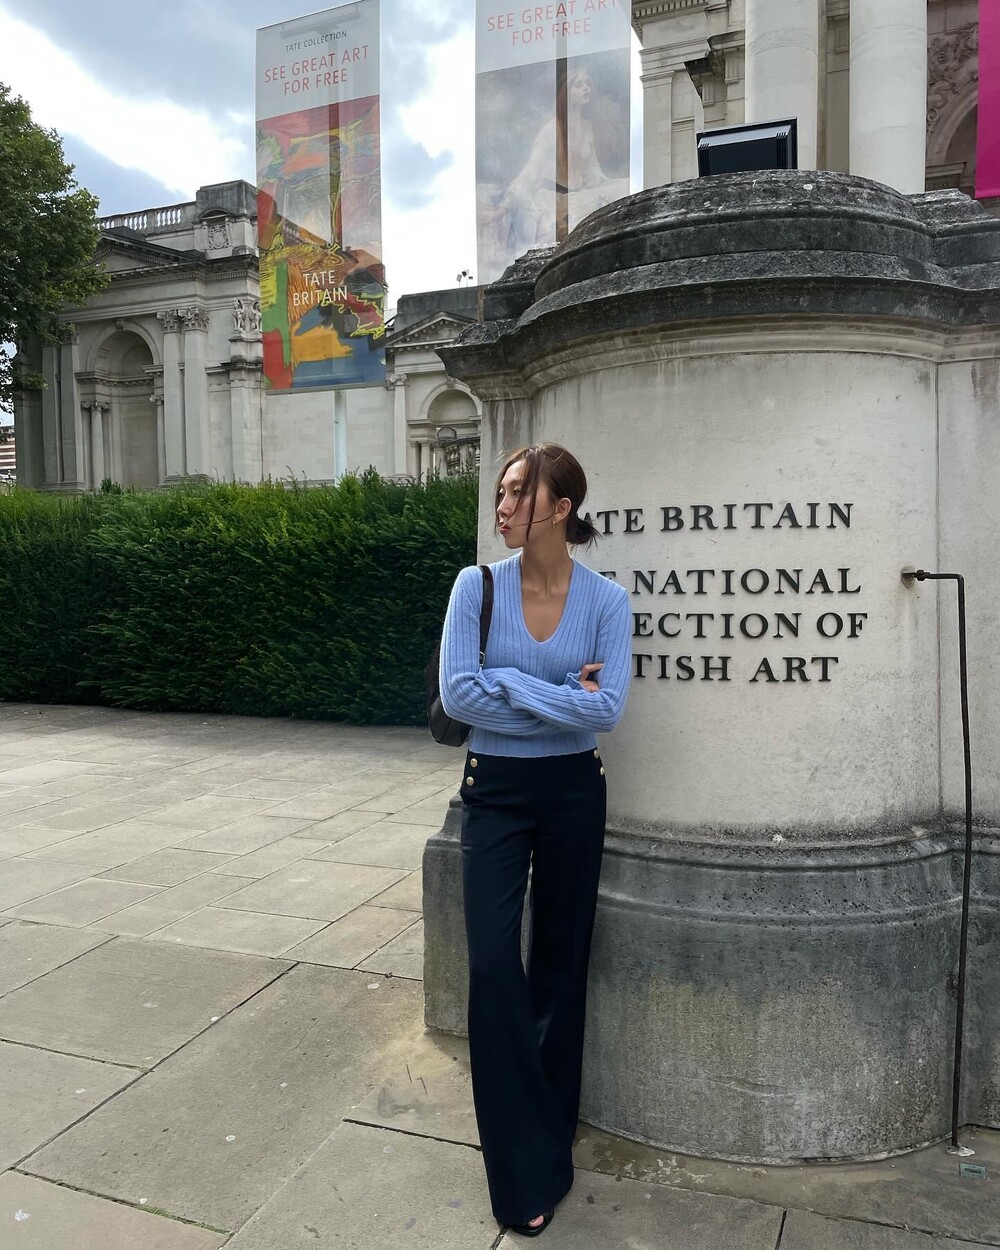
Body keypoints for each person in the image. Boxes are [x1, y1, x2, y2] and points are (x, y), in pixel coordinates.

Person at [438, 442, 631, 1236]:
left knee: (560, 963)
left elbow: (606, 709)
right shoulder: (475, 587)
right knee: (492, 966)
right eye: (503, 491)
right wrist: (554, 691)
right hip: (495, 792)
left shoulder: (607, 602)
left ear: (562, 507)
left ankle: (550, 1142)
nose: (504, 505)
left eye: (521, 492)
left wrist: (509, 682)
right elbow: (459, 694)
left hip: (574, 793)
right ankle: (519, 1165)